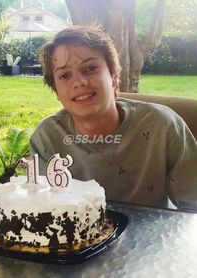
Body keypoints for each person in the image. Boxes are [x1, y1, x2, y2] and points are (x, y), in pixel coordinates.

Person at [30, 25, 197, 210]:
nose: (79, 82)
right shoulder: (46, 137)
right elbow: (45, 207)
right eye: (65, 75)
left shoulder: (163, 125)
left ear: (114, 77)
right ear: (57, 92)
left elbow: (193, 204)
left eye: (91, 68)